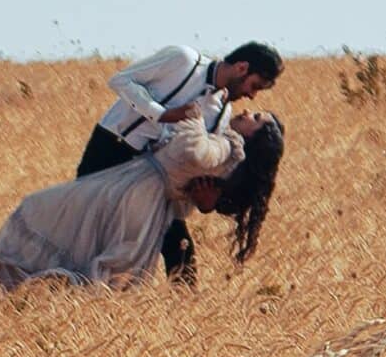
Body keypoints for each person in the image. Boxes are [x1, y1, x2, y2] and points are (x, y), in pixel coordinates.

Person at [0, 112, 285, 291]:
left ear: (257, 136)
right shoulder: (230, 148)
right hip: (144, 192)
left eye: (256, 118)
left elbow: (193, 152)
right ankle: (47, 292)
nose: (247, 113)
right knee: (108, 257)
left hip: (140, 191)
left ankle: (39, 286)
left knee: (93, 249)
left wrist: (191, 115)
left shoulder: (230, 146)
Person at [76, 42, 283, 284]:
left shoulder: (221, 114)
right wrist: (160, 113)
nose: (252, 95)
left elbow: (190, 163)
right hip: (109, 151)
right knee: (83, 237)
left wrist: (204, 201)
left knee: (181, 250)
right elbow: (120, 81)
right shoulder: (183, 60)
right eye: (255, 85)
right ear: (241, 67)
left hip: (151, 176)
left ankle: (184, 314)